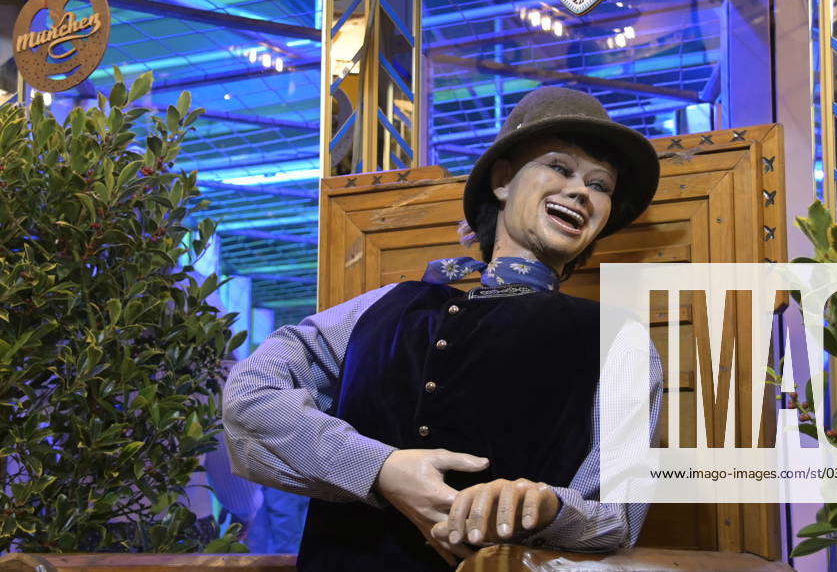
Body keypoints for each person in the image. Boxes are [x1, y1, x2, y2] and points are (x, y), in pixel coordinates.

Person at [222, 86, 664, 571]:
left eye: (601, 185)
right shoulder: (378, 308)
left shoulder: (620, 341)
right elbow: (251, 396)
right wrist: (379, 469)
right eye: (559, 167)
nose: (582, 190)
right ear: (502, 181)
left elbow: (617, 516)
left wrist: (545, 506)